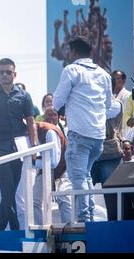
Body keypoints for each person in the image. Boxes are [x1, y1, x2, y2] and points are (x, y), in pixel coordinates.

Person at [53, 36, 112, 222]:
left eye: (69, 51)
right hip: (98, 137)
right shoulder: (104, 74)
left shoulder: (71, 70)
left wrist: (63, 105)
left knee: (78, 178)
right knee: (85, 177)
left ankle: (85, 220)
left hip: (79, 135)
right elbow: (108, 104)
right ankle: (90, 216)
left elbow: (57, 101)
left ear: (74, 52)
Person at [0, 58, 37, 231]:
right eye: (1, 72)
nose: (4, 75)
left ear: (14, 74)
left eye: (8, 72)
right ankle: (15, 231)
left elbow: (31, 122)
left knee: (9, 193)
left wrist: (33, 147)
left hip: (19, 148)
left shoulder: (24, 95)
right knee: (7, 189)